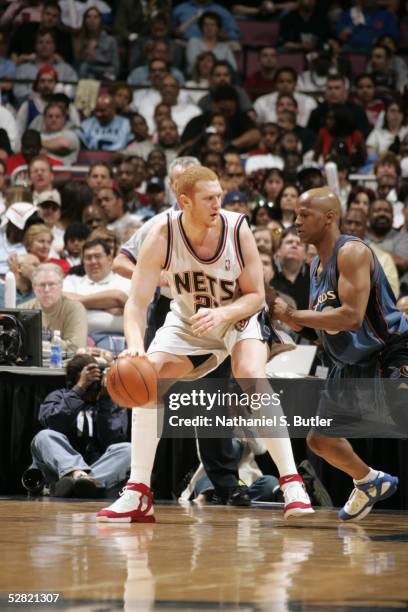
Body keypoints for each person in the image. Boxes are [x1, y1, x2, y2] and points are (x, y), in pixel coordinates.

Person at [96, 165, 313, 523]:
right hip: (189, 319)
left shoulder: (236, 227)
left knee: (249, 375)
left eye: (220, 196)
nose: (218, 203)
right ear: (185, 201)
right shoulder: (162, 233)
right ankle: (138, 492)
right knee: (148, 380)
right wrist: (135, 345)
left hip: (239, 315)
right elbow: (136, 302)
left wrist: (224, 313)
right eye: (209, 198)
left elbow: (256, 296)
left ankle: (292, 483)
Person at [272, 186, 406, 521]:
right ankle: (368, 481)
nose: (296, 221)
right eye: (296, 214)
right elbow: (324, 327)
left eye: (305, 214)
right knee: (320, 439)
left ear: (330, 217)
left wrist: (292, 315)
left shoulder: (353, 252)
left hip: (388, 351)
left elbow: (350, 316)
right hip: (348, 363)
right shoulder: (317, 263)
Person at [30, 353, 131, 498]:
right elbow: (53, 423)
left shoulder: (109, 402)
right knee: (43, 436)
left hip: (95, 466)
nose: (91, 386)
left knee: (128, 449)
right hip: (59, 471)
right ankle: (77, 476)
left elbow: (113, 440)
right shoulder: (58, 396)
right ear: (74, 379)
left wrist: (106, 399)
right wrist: (78, 390)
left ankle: (78, 484)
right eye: (86, 380)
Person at [23, 263, 87, 353]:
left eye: (51, 284)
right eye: (42, 285)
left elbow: (76, 347)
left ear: (61, 285)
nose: (46, 290)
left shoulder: (75, 309)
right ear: (34, 287)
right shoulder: (23, 309)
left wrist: (40, 345)